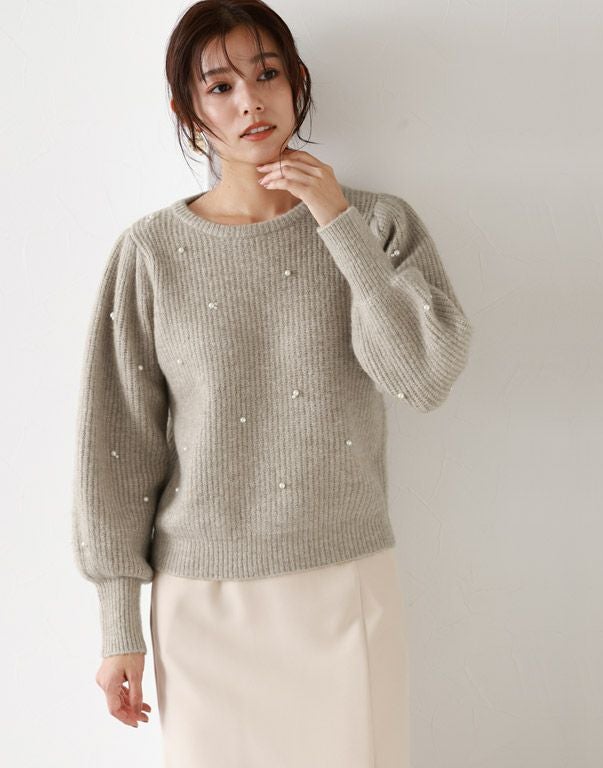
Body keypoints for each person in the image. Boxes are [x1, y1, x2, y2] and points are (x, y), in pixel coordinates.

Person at [70, 1, 473, 766]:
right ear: (188, 111)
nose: (251, 101)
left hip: (343, 584)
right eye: (220, 86)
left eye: (267, 74)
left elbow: (422, 377)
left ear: (297, 82)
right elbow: (116, 448)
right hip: (203, 603)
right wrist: (119, 624)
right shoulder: (151, 253)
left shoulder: (378, 224)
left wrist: (335, 219)